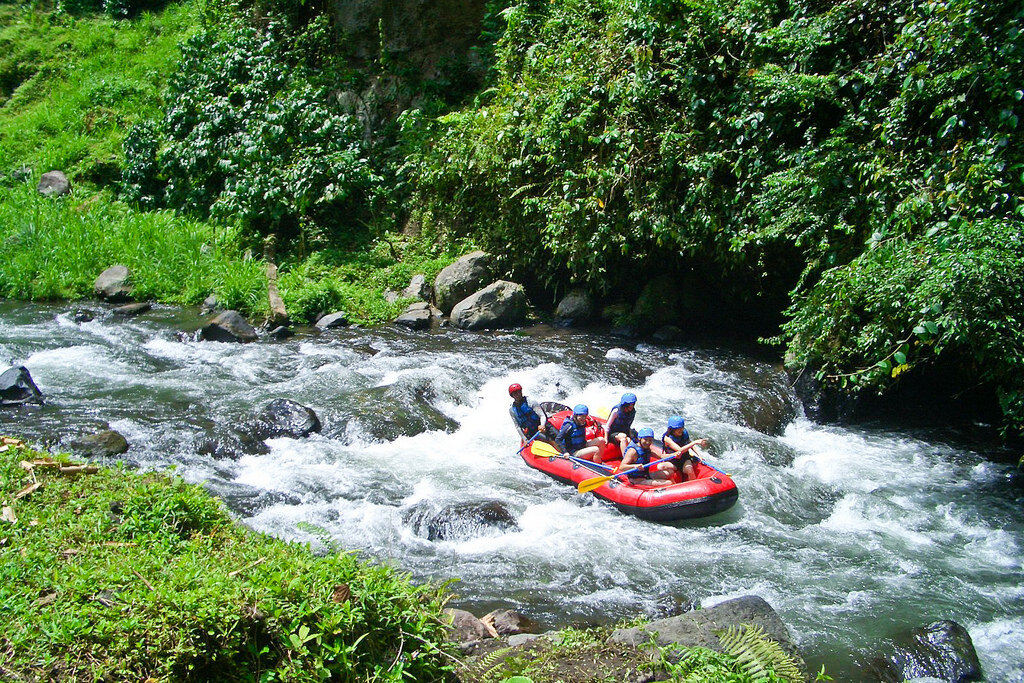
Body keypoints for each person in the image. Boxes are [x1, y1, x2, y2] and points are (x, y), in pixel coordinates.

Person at [661, 415, 707, 482]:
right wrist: (695, 442)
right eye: (677, 429)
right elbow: (680, 450)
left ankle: (693, 485)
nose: (680, 430)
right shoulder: (667, 438)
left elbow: (689, 443)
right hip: (673, 461)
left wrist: (699, 455)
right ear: (672, 429)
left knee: (689, 469)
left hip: (684, 459)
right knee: (661, 467)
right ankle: (672, 484)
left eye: (681, 428)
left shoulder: (684, 433)